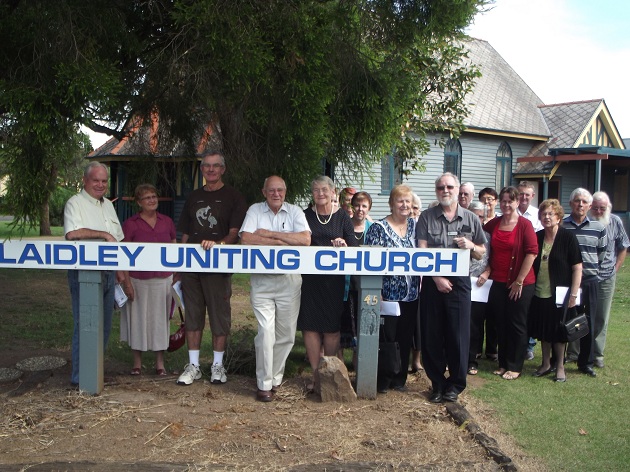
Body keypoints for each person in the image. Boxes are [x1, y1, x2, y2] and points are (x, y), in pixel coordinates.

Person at [176, 151, 247, 386]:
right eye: (206, 166)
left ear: (223, 169)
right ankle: (194, 365)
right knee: (193, 316)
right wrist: (180, 262)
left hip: (218, 265)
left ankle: (218, 365)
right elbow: (185, 232)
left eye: (216, 166)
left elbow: (235, 233)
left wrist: (220, 246)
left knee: (219, 317)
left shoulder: (234, 197)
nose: (211, 170)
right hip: (192, 266)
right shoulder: (194, 197)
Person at [239, 176, 311, 402]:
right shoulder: (254, 210)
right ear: (264, 192)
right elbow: (246, 238)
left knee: (286, 335)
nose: (276, 194)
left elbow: (305, 240)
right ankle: (264, 384)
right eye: (271, 190)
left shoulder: (296, 212)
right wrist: (284, 241)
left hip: (289, 281)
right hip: (262, 282)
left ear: (285, 191)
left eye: (280, 190)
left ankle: (275, 377)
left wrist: (271, 235)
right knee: (265, 332)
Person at [417, 173, 486, 403]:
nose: (444, 190)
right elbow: (422, 252)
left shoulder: (470, 218)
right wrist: (436, 277)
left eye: (449, 187)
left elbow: (481, 251)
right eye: (440, 187)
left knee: (458, 335)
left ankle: (455, 385)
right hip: (432, 282)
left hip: (460, 283)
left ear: (457, 189)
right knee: (432, 335)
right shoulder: (426, 217)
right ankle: (437, 384)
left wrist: (471, 245)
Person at [64, 162, 124, 387]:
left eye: (104, 181)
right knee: (86, 323)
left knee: (104, 326)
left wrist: (122, 273)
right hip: (84, 273)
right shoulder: (75, 203)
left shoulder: (108, 204)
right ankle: (81, 377)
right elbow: (72, 233)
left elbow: (118, 239)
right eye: (95, 180)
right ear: (85, 180)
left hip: (108, 271)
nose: (100, 185)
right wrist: (103, 235)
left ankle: (95, 371)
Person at [298, 176, 358, 392]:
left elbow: (354, 245)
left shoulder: (342, 216)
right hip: (310, 281)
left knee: (332, 329)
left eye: (325, 189)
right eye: (316, 190)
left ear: (334, 192)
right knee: (310, 326)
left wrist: (343, 244)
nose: (320, 193)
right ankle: (315, 375)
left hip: (334, 282)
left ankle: (329, 373)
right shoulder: (304, 216)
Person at [365, 185, 420, 393]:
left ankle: (399, 378)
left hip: (411, 293)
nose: (404, 205)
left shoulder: (415, 226)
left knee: (405, 337)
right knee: (386, 338)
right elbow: (370, 260)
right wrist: (376, 290)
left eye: (407, 201)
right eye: (400, 201)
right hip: (387, 294)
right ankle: (383, 379)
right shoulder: (378, 228)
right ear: (391, 204)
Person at [119, 184, 177, 376]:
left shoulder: (167, 221)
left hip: (163, 280)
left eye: (154, 196)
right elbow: (124, 255)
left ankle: (160, 364)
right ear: (138, 202)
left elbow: (174, 250)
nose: (152, 200)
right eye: (147, 198)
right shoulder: (130, 224)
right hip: (138, 280)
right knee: (138, 320)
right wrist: (126, 282)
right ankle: (137, 363)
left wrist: (175, 277)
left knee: (160, 321)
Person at [482, 186, 537, 381]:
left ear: (517, 202)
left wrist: (519, 281)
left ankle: (515, 365)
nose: (506, 204)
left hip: (521, 283)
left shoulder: (525, 225)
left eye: (510, 201)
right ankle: (503, 363)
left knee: (517, 324)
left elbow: (532, 252)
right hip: (497, 281)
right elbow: (481, 241)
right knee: (500, 323)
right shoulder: (494, 224)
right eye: (503, 201)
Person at [529, 199, 582, 383]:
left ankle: (560, 366)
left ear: (559, 217)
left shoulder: (568, 238)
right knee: (544, 330)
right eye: (543, 214)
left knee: (559, 331)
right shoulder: (538, 236)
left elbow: (577, 267)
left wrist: (573, 294)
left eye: (551, 214)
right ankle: (545, 364)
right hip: (540, 292)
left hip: (561, 294)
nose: (547, 217)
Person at [562, 188, 607, 377]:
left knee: (588, 321)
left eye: (584, 202)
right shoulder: (562, 225)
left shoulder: (598, 228)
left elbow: (601, 255)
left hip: (589, 281)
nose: (580, 204)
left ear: (589, 206)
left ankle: (585, 362)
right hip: (566, 281)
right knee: (565, 319)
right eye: (577, 201)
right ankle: (559, 358)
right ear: (571, 203)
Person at [588, 191, 629, 368]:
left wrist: (616, 268)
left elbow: (624, 246)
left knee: (601, 317)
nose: (598, 210)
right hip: (585, 277)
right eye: (595, 207)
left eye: (602, 208)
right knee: (580, 315)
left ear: (608, 208)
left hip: (606, 277)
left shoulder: (615, 221)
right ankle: (574, 353)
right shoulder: (585, 221)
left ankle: (597, 354)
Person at [516, 181, 543, 361]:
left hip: (533, 264)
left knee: (529, 308)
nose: (524, 197)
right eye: (521, 194)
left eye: (527, 194)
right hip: (513, 265)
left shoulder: (537, 216)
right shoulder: (509, 212)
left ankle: (529, 345)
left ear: (532, 196)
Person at [467, 201, 493, 374]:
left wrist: (487, 272)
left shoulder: (488, 237)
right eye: (474, 215)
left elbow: (492, 261)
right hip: (459, 283)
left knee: (475, 325)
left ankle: (472, 361)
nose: (477, 219)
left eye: (481, 216)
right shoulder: (459, 235)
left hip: (479, 285)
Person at [409, 192, 423, 372]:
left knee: (418, 325)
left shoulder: (422, 227)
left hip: (421, 282)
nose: (411, 210)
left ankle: (417, 360)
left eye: (415, 207)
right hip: (403, 284)